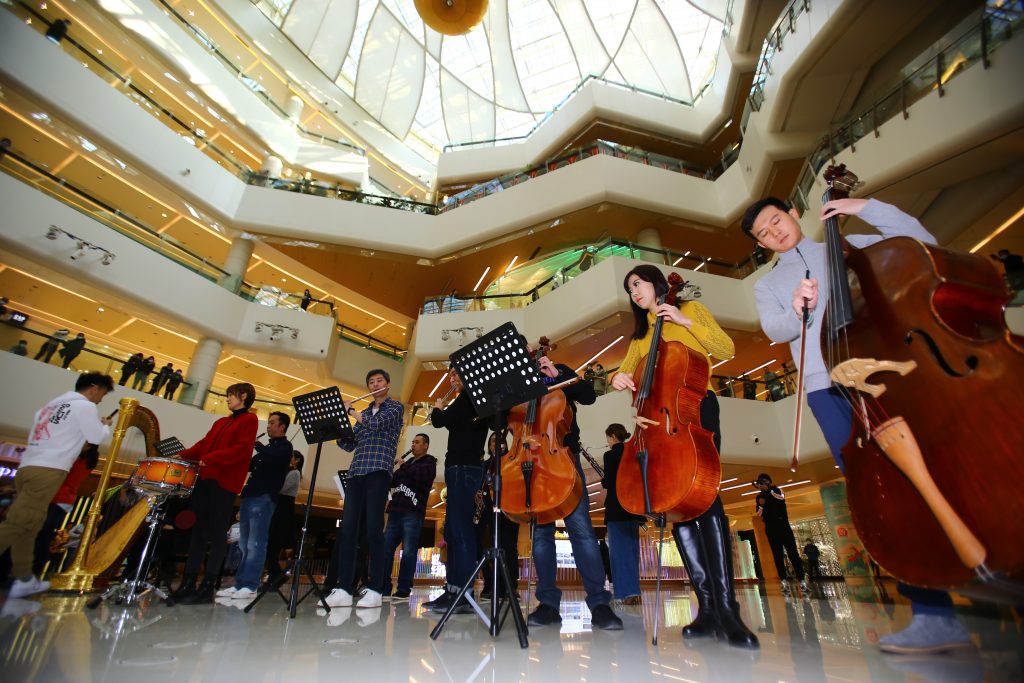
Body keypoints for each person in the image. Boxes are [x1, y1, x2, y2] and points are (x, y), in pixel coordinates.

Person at [744, 195, 972, 654]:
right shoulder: (767, 284)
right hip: (823, 386)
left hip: (878, 370)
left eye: (775, 222)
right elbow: (777, 330)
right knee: (875, 487)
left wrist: (866, 205)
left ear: (791, 211)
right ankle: (932, 612)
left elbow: (921, 242)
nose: (774, 234)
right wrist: (795, 307)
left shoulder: (847, 247)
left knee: (928, 470)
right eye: (763, 235)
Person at [610, 264, 757, 648]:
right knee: (676, 503)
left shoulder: (690, 310)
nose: (634, 291)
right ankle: (707, 608)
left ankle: (728, 610)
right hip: (657, 422)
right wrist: (617, 379)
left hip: (696, 411)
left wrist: (683, 320)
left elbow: (725, 348)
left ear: (658, 284)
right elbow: (626, 375)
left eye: (638, 283)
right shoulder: (640, 337)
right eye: (629, 288)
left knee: (706, 495)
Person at [528, 346, 623, 631]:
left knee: (581, 532)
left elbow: (588, 396)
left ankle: (600, 603)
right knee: (541, 537)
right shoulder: (521, 380)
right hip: (534, 466)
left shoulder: (560, 371)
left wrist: (557, 376)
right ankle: (547, 604)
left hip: (565, 460)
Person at [0, 372, 112, 598]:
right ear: (94, 389)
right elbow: (96, 437)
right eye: (102, 394)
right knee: (17, 523)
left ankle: (24, 578)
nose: (100, 400)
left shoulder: (51, 406)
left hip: (29, 466)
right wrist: (106, 426)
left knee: (31, 526)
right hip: (49, 470)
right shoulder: (85, 407)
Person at [173, 382, 259, 605]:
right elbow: (204, 444)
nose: (227, 399)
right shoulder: (221, 421)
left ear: (244, 396)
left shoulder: (249, 420)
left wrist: (210, 459)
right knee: (198, 532)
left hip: (225, 482)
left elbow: (241, 450)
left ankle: (208, 584)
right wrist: (184, 455)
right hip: (206, 478)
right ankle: (188, 582)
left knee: (218, 534)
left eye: (231, 395)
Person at [325, 369, 404, 609]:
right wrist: (340, 424)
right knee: (348, 531)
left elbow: (376, 425)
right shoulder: (365, 411)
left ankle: (375, 588)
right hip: (356, 472)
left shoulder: (395, 408)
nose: (375, 384)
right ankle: (344, 588)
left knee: (373, 531)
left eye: (379, 380)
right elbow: (349, 444)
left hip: (379, 471)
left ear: (387, 384)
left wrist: (350, 411)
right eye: (371, 382)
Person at [425, 372, 488, 615]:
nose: (452, 380)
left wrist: (438, 408)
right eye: (450, 376)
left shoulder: (471, 397)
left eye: (456, 375)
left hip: (464, 468)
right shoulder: (468, 399)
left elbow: (441, 420)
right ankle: (453, 589)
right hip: (458, 468)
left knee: (461, 531)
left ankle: (464, 592)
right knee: (453, 530)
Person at [218, 411, 292, 600]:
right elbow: (249, 464)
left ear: (282, 426)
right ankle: (240, 583)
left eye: (273, 423)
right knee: (244, 543)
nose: (269, 426)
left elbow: (271, 458)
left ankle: (250, 584)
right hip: (250, 495)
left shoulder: (285, 447)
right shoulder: (268, 447)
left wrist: (256, 444)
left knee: (256, 543)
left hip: (264, 497)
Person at [381, 433, 437, 600]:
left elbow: (420, 477)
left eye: (417, 442)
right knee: (386, 549)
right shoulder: (408, 464)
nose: (413, 445)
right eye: (412, 442)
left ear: (426, 445)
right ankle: (383, 586)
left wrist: (403, 466)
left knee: (409, 551)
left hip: (413, 512)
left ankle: (404, 589)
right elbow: (394, 482)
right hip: (395, 510)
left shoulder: (430, 462)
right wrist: (389, 470)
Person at [32, 443, 99, 577]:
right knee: (44, 534)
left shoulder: (76, 459)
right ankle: (35, 569)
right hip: (65, 500)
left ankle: (33, 568)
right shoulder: (87, 461)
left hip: (57, 497)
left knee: (41, 534)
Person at [601, 423, 644, 605]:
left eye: (608, 438)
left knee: (618, 553)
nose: (608, 442)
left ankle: (625, 593)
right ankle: (635, 592)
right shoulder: (633, 452)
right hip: (633, 508)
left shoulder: (610, 455)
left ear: (612, 437)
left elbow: (609, 482)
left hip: (616, 509)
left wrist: (603, 479)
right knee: (633, 552)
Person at [476, 431, 521, 602]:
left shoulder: (511, 461)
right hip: (488, 512)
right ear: (489, 445)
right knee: (488, 548)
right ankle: (492, 586)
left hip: (509, 509)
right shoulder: (485, 465)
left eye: (499, 440)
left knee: (509, 548)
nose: (496, 443)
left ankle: (510, 587)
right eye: (493, 440)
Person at [753, 473, 808, 595]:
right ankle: (783, 581)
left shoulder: (777, 490)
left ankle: (802, 581)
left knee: (793, 554)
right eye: (760, 483)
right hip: (771, 529)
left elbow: (781, 498)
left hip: (784, 527)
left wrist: (769, 490)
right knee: (777, 556)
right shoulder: (759, 497)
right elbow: (759, 514)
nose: (760, 485)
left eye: (762, 482)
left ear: (768, 482)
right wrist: (761, 505)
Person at [265, 451, 303, 583]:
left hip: (284, 507)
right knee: (271, 544)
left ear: (297, 460)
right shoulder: (288, 471)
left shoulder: (295, 473)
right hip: (279, 506)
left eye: (291, 457)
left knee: (274, 542)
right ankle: (274, 574)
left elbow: (282, 488)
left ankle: (276, 574)